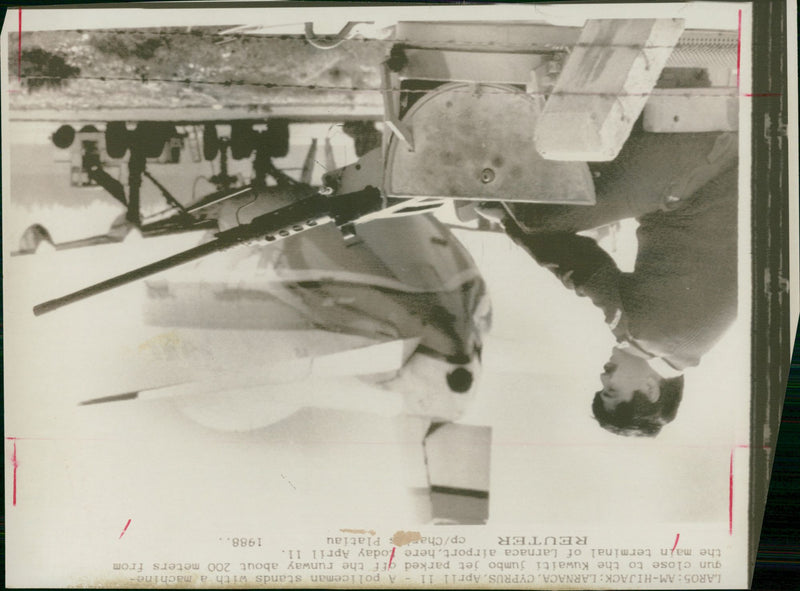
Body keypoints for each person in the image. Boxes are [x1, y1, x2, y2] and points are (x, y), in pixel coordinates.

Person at [483, 124, 739, 436]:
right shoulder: (645, 336)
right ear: (651, 388)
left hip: (723, 169)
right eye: (612, 390)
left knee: (556, 204)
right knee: (536, 217)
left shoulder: (689, 346)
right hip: (695, 173)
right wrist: (507, 221)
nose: (604, 379)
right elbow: (580, 268)